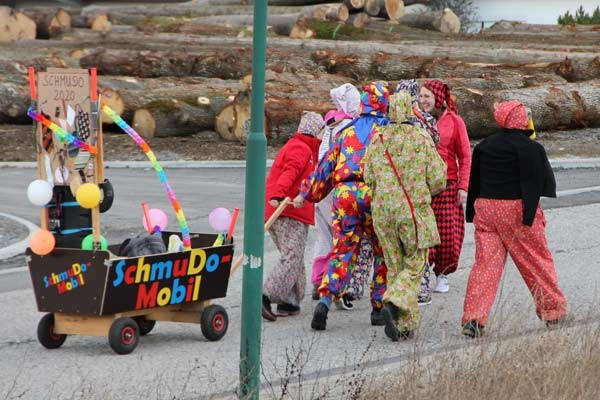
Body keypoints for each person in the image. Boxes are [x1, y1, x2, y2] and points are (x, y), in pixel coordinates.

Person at [461, 100, 567, 338]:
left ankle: (474, 318)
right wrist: (531, 216)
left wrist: (472, 213)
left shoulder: (485, 145)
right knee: (535, 261)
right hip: (516, 210)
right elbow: (539, 184)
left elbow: (475, 180)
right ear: (520, 118)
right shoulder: (530, 148)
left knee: (485, 266)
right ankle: (553, 312)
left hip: (486, 210)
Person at [294, 82, 390, 331]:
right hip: (376, 194)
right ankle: (378, 307)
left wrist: (306, 193)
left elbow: (326, 166)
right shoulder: (389, 131)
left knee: (343, 249)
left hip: (345, 194)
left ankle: (325, 300)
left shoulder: (346, 132)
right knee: (382, 251)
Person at [364, 91, 446, 341]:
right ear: (409, 110)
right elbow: (438, 179)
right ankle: (394, 300)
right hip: (411, 212)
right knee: (416, 263)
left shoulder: (377, 138)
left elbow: (368, 176)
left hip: (383, 212)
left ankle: (404, 325)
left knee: (395, 265)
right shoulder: (421, 138)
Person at [262, 111, 325, 321]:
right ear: (315, 131)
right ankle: (265, 294)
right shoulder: (301, 148)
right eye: (321, 131)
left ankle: (289, 302)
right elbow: (289, 172)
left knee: (294, 255)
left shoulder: (303, 147)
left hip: (286, 210)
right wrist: (279, 195)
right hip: (287, 211)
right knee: (292, 256)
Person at [311, 83, 362, 310]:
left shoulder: (331, 124)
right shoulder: (350, 126)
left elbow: (323, 156)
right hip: (339, 188)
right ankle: (337, 285)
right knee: (342, 239)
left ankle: (319, 280)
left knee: (323, 236)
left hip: (322, 186)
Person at [419, 80, 470, 294]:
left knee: (448, 234)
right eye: (420, 96)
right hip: (421, 185)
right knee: (423, 233)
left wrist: (463, 187)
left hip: (448, 185)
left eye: (427, 97)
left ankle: (443, 273)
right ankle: (423, 272)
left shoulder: (455, 122)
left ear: (438, 99)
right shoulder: (416, 120)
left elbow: (465, 156)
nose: (422, 101)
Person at [396, 79, 441, 305]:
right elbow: (436, 169)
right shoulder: (426, 125)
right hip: (417, 195)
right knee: (419, 245)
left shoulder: (384, 126)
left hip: (390, 196)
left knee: (394, 248)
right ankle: (420, 290)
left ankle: (393, 293)